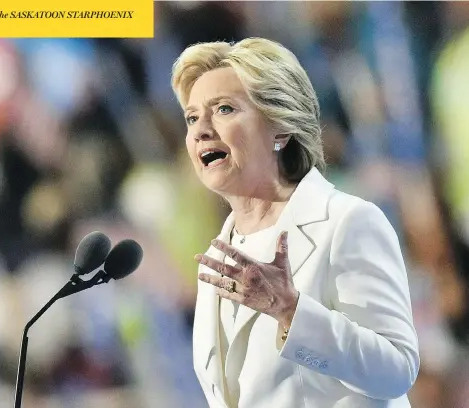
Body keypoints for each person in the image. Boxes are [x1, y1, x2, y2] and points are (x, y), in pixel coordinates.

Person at [171, 37, 420, 408]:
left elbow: (397, 369)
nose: (201, 130)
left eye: (223, 109)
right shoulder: (217, 258)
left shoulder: (347, 222)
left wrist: (291, 311)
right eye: (192, 117)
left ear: (281, 129)